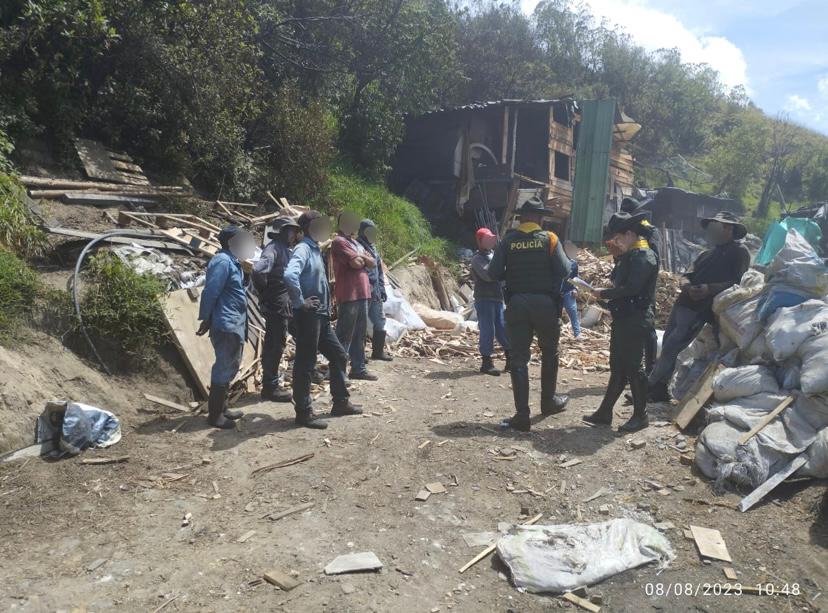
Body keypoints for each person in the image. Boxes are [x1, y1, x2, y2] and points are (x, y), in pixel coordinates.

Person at [487, 195, 571, 431]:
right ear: (540, 219)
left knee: (519, 358)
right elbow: (564, 270)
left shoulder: (507, 241)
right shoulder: (551, 239)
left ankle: (522, 415)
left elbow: (493, 273)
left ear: (521, 218)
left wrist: (513, 274)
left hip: (517, 304)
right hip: (546, 304)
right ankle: (548, 402)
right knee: (550, 353)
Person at [648, 211, 750, 401]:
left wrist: (709, 288)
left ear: (728, 228)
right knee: (670, 343)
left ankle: (650, 387)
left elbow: (738, 282)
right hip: (684, 303)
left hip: (701, 309)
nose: (711, 231)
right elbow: (686, 274)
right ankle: (658, 389)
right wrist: (686, 285)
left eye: (716, 226)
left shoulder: (740, 252)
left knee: (671, 347)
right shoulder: (706, 254)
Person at [284, 211, 363, 429]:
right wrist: (300, 302)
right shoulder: (303, 249)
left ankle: (340, 402)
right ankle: (303, 412)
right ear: (307, 228)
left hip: (321, 317)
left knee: (338, 355)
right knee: (306, 363)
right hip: (309, 316)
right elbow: (290, 275)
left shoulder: (314, 249)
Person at [584, 212, 659, 432]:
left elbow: (632, 288)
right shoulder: (630, 255)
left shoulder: (644, 256)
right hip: (624, 317)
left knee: (634, 368)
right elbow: (619, 279)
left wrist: (604, 293)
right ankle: (605, 412)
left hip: (636, 318)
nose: (615, 242)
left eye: (618, 238)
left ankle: (640, 415)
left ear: (629, 234)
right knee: (618, 367)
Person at [197, 226, 257, 429]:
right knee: (223, 366)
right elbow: (210, 291)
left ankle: (222, 409)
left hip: (235, 321)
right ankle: (215, 416)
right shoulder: (222, 262)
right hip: (226, 322)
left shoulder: (233, 262)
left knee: (231, 365)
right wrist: (205, 318)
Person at [252, 216, 300, 403]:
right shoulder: (273, 249)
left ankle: (298, 375)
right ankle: (270, 388)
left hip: (286, 303)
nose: (294, 235)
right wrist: (266, 293)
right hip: (276, 305)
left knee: (291, 337)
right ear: (283, 232)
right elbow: (258, 271)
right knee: (275, 344)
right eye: (292, 231)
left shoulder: (285, 250)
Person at [331, 211, 378, 381]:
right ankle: (338, 372)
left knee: (359, 334)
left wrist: (362, 257)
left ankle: (358, 368)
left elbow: (372, 263)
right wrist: (363, 258)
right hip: (348, 294)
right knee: (344, 335)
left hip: (363, 293)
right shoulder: (339, 242)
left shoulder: (355, 243)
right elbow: (357, 263)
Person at [620, 197, 660, 372]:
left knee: (647, 328)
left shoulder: (643, 228)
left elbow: (645, 254)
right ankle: (635, 366)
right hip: (637, 277)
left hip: (642, 280)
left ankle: (648, 368)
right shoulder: (635, 228)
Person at [470, 227, 510, 376]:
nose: (490, 241)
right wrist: (502, 270)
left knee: (501, 329)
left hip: (497, 298)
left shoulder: (493, 255)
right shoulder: (477, 259)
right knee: (488, 330)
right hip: (484, 298)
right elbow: (489, 276)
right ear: (480, 241)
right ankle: (486, 363)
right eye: (487, 239)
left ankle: (510, 357)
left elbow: (502, 276)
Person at [357, 219, 393, 362]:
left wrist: (382, 288)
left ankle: (378, 352)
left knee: (380, 321)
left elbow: (379, 270)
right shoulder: (358, 246)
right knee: (361, 324)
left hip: (375, 291)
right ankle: (359, 355)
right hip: (363, 291)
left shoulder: (373, 248)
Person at [561, 241, 581, 338]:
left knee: (573, 314)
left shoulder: (574, 264)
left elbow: (575, 278)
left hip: (569, 292)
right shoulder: (559, 261)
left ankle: (577, 334)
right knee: (554, 315)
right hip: (557, 293)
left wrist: (575, 289)